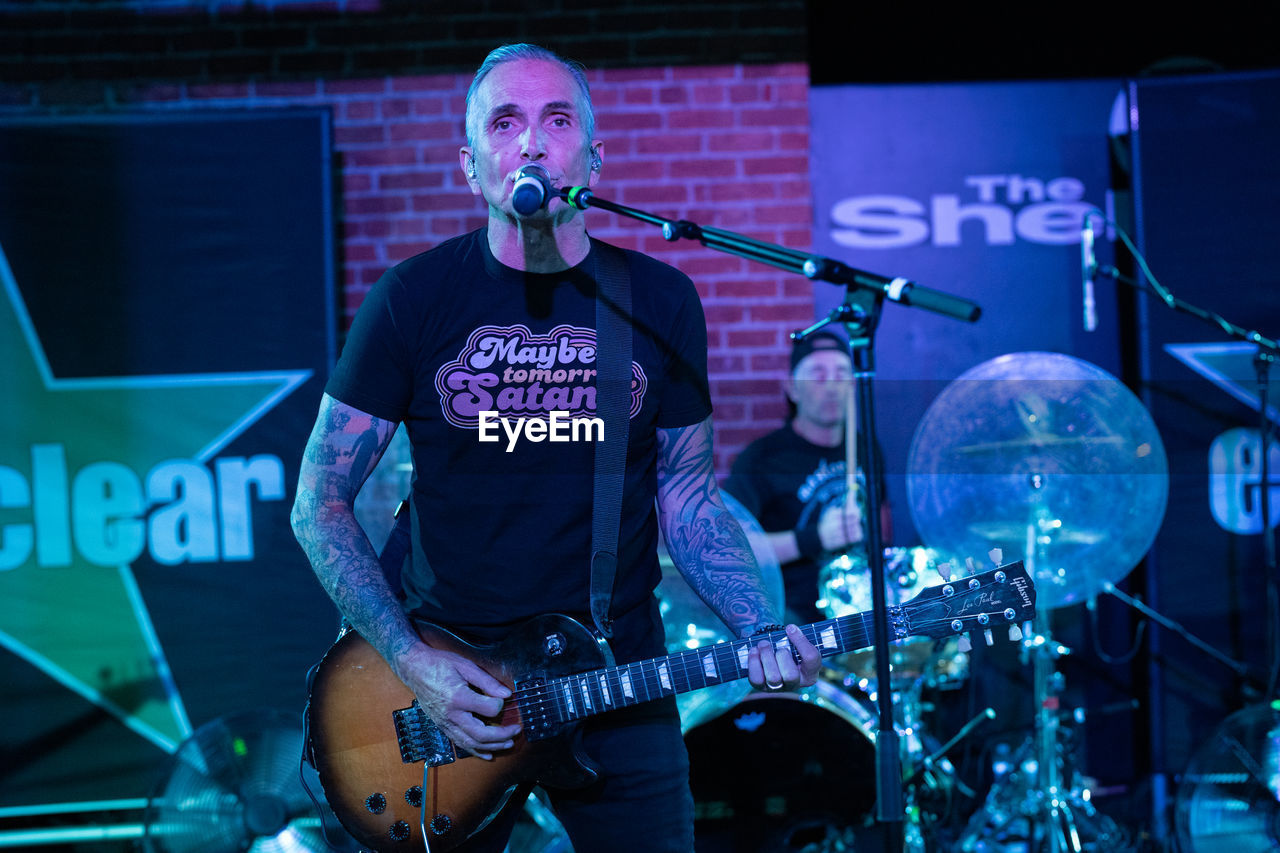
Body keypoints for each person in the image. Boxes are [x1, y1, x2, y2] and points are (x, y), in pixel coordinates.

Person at [290, 43, 820, 852]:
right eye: (505, 123)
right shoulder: (413, 299)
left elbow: (686, 495)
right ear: (471, 166)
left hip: (617, 679)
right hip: (453, 687)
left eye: (556, 119)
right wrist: (409, 660)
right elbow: (318, 502)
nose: (531, 142)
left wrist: (757, 624)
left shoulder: (658, 301)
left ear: (594, 159)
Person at [723, 331, 893, 625]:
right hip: (793, 616)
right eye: (818, 375)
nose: (831, 386)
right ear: (792, 388)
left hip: (862, 607)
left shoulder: (866, 448)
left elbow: (883, 525)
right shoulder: (762, 458)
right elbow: (731, 551)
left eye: (841, 374)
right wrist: (813, 539)